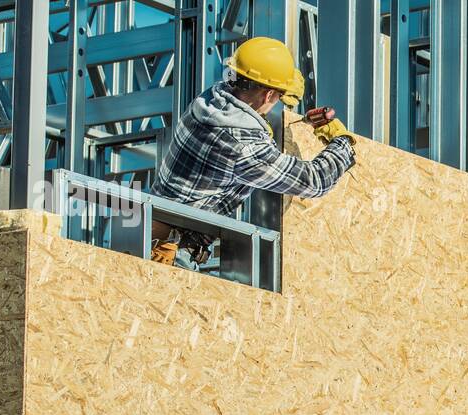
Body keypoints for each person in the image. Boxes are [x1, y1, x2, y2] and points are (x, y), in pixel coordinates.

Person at [148, 36, 355, 269]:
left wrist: (281, 86)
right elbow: (314, 181)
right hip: (169, 253)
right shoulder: (243, 146)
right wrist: (342, 142)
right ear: (268, 95)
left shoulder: (210, 98)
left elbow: (249, 104)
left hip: (150, 232)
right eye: (278, 97)